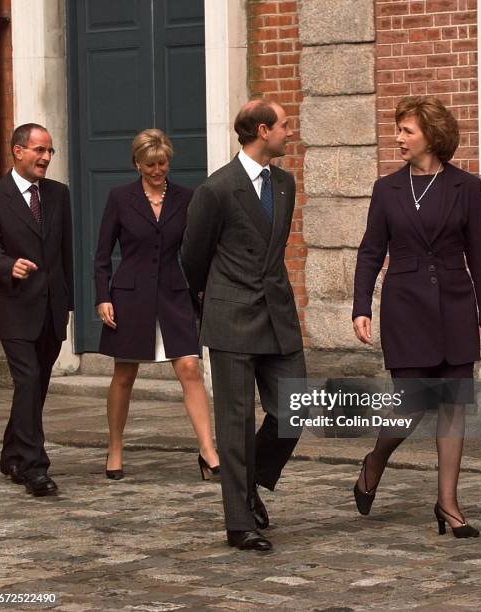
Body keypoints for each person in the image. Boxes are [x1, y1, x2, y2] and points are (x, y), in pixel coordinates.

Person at [352, 96, 481, 538]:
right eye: (398, 130)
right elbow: (371, 251)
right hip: (405, 308)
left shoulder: (465, 187)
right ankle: (375, 460)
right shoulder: (387, 188)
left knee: (453, 405)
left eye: (406, 131)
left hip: (455, 304)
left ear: (431, 136)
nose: (398, 138)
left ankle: (448, 504)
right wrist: (361, 306)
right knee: (411, 404)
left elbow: (480, 253)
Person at [181, 99, 306, 552]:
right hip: (232, 317)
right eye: (284, 126)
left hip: (279, 317)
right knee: (235, 424)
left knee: (296, 409)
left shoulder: (286, 184)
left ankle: (250, 483)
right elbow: (192, 258)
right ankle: (239, 523)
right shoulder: (216, 189)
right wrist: (215, 302)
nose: (289, 132)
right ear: (261, 130)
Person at [94, 129, 219, 481]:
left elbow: (196, 249)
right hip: (130, 296)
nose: (157, 169)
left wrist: (202, 291)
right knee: (124, 374)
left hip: (173, 294)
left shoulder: (187, 197)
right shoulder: (120, 198)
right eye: (150, 164)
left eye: (162, 163)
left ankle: (208, 450)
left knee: (190, 369)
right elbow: (102, 255)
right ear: (137, 164)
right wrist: (103, 296)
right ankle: (115, 448)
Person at [0, 123, 74, 496]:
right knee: (27, 380)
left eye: (50, 151)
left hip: (52, 307)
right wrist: (9, 266)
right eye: (39, 150)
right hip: (14, 306)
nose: (46, 158)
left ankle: (12, 453)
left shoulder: (59, 194)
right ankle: (34, 467)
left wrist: (68, 302)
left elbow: (65, 252)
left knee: (37, 384)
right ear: (18, 151)